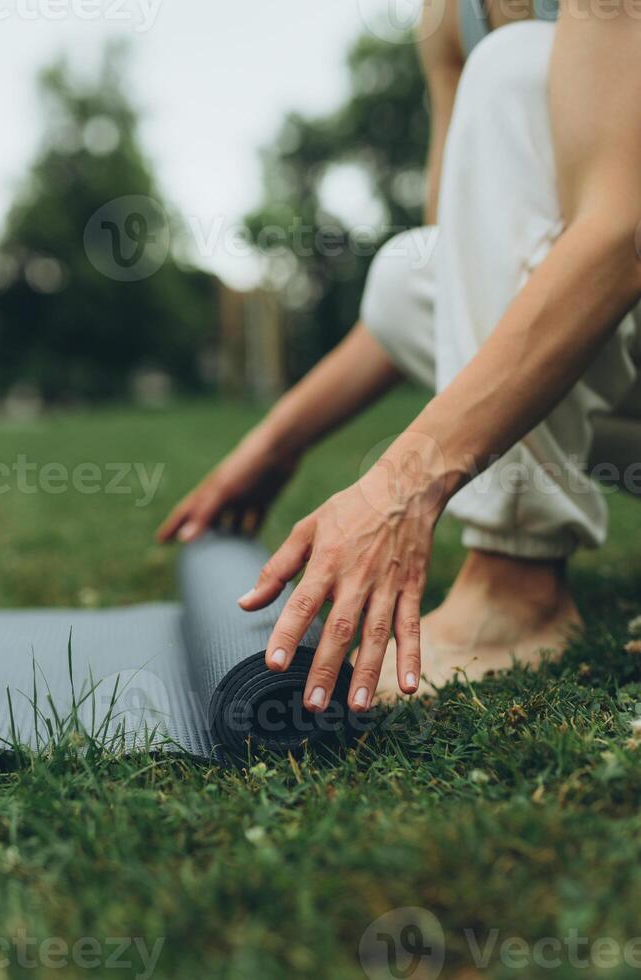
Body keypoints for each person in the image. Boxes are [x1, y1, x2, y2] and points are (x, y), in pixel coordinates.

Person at [159, 1, 641, 714]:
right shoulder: (450, 18)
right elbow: (464, 282)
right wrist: (274, 443)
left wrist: (402, 483)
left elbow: (620, 238)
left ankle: (517, 584)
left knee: (510, 71)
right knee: (410, 267)